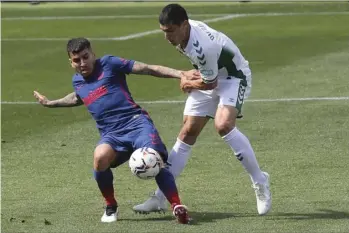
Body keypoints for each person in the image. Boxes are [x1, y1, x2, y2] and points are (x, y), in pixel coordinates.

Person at [33, 37, 198, 224]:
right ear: (70, 62)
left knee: (153, 158)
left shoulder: (109, 64)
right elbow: (78, 97)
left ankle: (177, 206)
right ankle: (111, 206)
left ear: (92, 54)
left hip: (136, 124)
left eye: (85, 57)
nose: (82, 63)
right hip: (112, 135)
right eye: (76, 60)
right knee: (99, 157)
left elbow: (147, 68)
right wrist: (51, 103)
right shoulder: (77, 81)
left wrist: (180, 73)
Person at [133, 3, 272, 216]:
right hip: (209, 74)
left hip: (233, 77)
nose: (167, 37)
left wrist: (187, 83)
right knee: (188, 131)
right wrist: (193, 75)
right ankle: (160, 197)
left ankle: (259, 180)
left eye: (170, 31)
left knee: (224, 124)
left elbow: (210, 83)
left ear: (184, 25)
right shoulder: (184, 35)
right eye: (164, 32)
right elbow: (206, 75)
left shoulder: (201, 46)